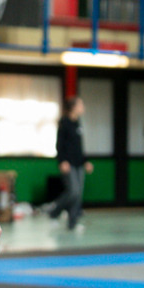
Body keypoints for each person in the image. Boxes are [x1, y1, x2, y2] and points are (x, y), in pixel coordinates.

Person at [49, 97, 93, 231]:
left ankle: (72, 223)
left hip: (79, 163)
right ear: (74, 107)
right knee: (73, 191)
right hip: (68, 163)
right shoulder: (65, 123)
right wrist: (62, 161)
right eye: (81, 104)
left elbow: (79, 146)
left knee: (78, 193)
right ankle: (54, 212)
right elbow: (59, 144)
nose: (83, 107)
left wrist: (85, 161)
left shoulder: (77, 123)